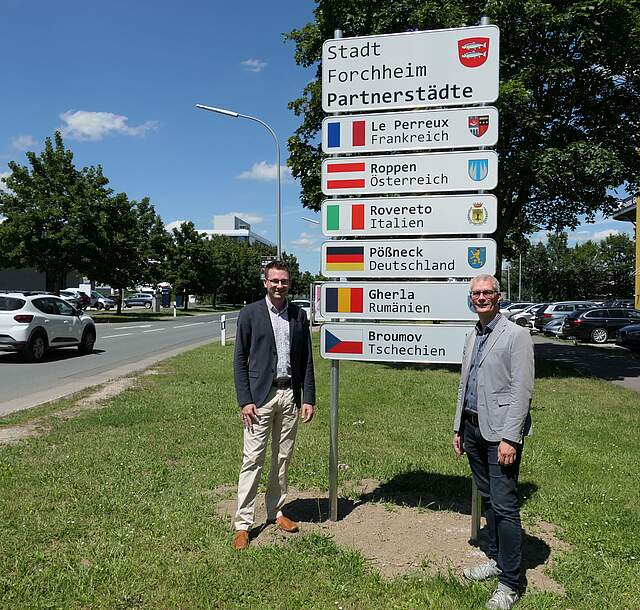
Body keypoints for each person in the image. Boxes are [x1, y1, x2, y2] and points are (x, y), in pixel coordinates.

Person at [453, 274, 534, 610]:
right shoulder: (473, 335)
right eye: (476, 293)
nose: (481, 297)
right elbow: (465, 383)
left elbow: (522, 391)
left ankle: (511, 583)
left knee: (504, 506)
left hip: (500, 436)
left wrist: (510, 438)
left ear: (498, 297)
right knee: (489, 501)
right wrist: (457, 427)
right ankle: (499, 560)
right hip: (472, 429)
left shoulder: (517, 335)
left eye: (487, 292)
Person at [231, 261, 316, 550]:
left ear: (289, 284)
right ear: (265, 283)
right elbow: (239, 360)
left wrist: (309, 398)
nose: (280, 285)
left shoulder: (298, 315)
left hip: (289, 396)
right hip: (259, 399)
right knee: (252, 459)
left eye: (284, 281)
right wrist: (245, 401)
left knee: (283, 458)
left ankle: (275, 511)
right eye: (274, 281)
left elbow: (306, 361)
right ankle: (243, 524)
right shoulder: (250, 314)